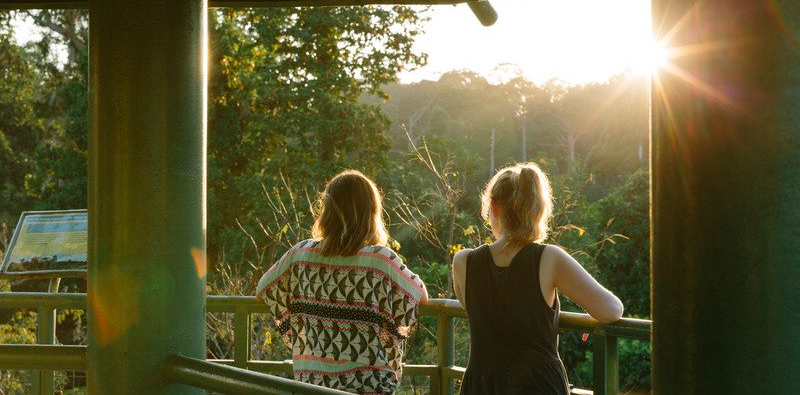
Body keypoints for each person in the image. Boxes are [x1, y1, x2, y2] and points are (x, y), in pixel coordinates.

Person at [452, 163, 623, 395]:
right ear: (536, 210)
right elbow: (611, 310)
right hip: (539, 386)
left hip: (481, 387)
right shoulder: (548, 258)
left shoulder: (464, 262)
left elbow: (475, 307)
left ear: (493, 206)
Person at [256, 169, 429, 394]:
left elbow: (263, 290)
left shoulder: (300, 254)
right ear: (371, 213)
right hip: (367, 386)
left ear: (326, 210)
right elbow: (420, 296)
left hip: (311, 385)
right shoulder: (380, 259)